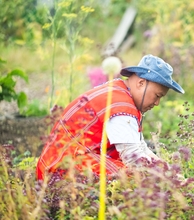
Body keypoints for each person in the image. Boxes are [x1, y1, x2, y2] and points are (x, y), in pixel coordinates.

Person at [36, 54, 184, 181]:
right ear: (141, 83)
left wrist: (167, 170)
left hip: (60, 162)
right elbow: (133, 158)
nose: (157, 103)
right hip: (60, 169)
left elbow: (140, 147)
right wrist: (165, 180)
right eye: (157, 96)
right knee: (132, 178)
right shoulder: (121, 105)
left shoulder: (119, 92)